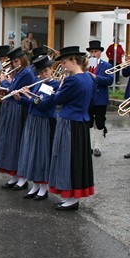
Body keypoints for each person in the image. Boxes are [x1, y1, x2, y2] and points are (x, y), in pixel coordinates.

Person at [43, 46, 95, 210]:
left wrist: (59, 87)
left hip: (70, 123)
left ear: (74, 60)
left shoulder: (72, 80)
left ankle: (71, 198)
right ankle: (73, 196)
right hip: (81, 122)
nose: (63, 66)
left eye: (65, 62)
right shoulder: (88, 77)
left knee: (67, 158)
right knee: (77, 159)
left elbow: (58, 99)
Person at [0, 47, 36, 189]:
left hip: (18, 109)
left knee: (16, 141)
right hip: (10, 108)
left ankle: (22, 178)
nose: (15, 64)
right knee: (9, 142)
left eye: (17, 61)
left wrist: (4, 81)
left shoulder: (26, 72)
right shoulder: (18, 72)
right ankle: (14, 176)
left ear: (22, 60)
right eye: (13, 62)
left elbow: (12, 89)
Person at [17, 54, 59, 199]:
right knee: (32, 152)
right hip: (33, 119)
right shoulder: (37, 82)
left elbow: (43, 104)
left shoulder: (54, 85)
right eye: (41, 72)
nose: (43, 75)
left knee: (42, 153)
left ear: (51, 69)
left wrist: (29, 96)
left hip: (45, 121)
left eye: (46, 71)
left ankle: (43, 187)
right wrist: (20, 98)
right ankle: (35, 185)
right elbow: (31, 103)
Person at [86, 40, 113, 157]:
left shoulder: (106, 65)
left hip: (100, 98)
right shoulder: (85, 65)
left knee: (100, 122)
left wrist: (96, 77)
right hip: (88, 98)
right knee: (88, 122)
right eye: (91, 51)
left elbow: (110, 80)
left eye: (95, 51)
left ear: (100, 53)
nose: (93, 54)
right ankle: (90, 145)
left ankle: (98, 146)